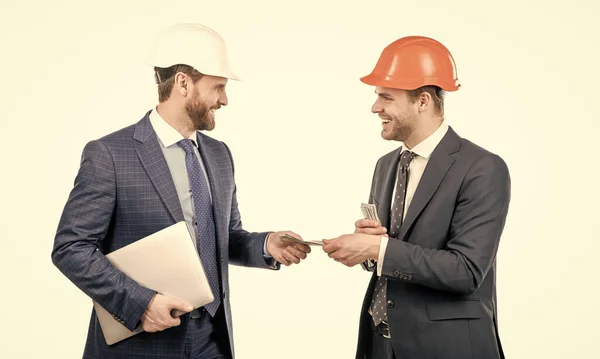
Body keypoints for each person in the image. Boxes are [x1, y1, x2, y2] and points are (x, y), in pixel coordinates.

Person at [51, 23, 311, 359]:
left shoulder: (219, 155)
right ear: (183, 83)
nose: (225, 100)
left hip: (213, 340)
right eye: (218, 87)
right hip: (141, 343)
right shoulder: (110, 155)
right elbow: (71, 248)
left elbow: (224, 236)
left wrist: (265, 244)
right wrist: (141, 303)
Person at [322, 36, 511, 359]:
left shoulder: (482, 168)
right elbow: (392, 254)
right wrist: (368, 251)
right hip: (381, 343)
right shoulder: (387, 165)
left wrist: (380, 249)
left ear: (422, 101)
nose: (375, 107)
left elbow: (465, 271)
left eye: (386, 97)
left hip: (446, 348)